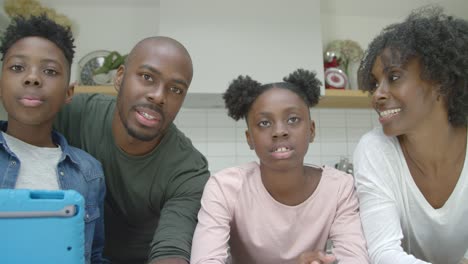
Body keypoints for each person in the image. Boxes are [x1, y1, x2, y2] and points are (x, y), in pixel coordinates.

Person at [54, 36, 210, 264]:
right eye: (147, 77)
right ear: (120, 78)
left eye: (175, 89)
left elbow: (171, 249)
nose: (158, 96)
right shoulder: (73, 115)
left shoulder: (189, 170)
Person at [190, 69, 370, 264]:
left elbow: (355, 259)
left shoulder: (339, 188)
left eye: (292, 119)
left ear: (311, 130)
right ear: (249, 138)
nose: (279, 131)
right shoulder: (224, 188)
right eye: (265, 123)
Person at [353, 5, 468, 264]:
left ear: (440, 81)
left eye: (394, 77)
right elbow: (384, 254)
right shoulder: (375, 149)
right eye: (375, 84)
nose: (378, 95)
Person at [0, 15, 106, 263]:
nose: (32, 78)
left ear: (69, 92)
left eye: (49, 71)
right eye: (17, 67)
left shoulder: (89, 173)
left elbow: (95, 254)